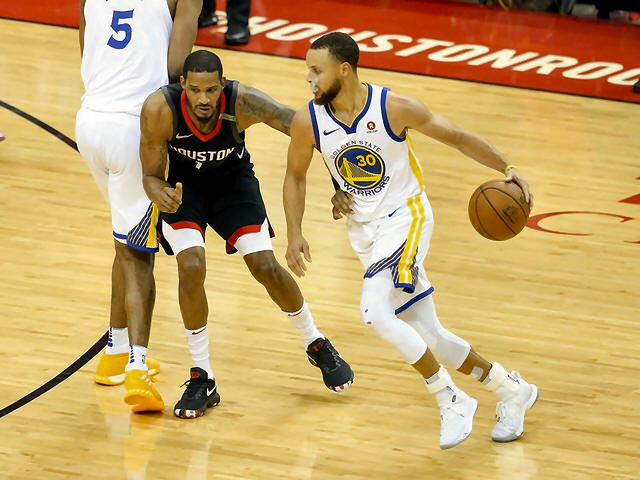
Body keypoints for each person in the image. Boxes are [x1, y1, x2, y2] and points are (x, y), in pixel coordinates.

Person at [283, 32, 538, 449]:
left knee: (374, 311)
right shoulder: (307, 120)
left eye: (316, 70)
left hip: (407, 218)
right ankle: (512, 391)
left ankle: (450, 397)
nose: (308, 78)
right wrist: (295, 233)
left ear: (344, 70)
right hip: (365, 233)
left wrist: (507, 167)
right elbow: (295, 176)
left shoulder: (393, 107)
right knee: (431, 336)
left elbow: (456, 136)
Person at [139, 50, 354, 419]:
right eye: (195, 90)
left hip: (233, 187)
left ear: (223, 85)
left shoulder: (244, 102)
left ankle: (315, 342)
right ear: (182, 85)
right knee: (190, 266)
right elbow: (149, 175)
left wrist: (338, 183)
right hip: (185, 191)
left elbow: (306, 130)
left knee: (265, 266)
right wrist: (157, 191)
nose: (203, 99)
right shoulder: (160, 109)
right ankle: (202, 376)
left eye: (211, 90)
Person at [76, 0, 201, 412]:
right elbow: (178, 67)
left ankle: (114, 352)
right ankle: (137, 367)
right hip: (134, 126)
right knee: (138, 254)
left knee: (125, 241)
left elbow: (86, 45)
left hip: (91, 119)